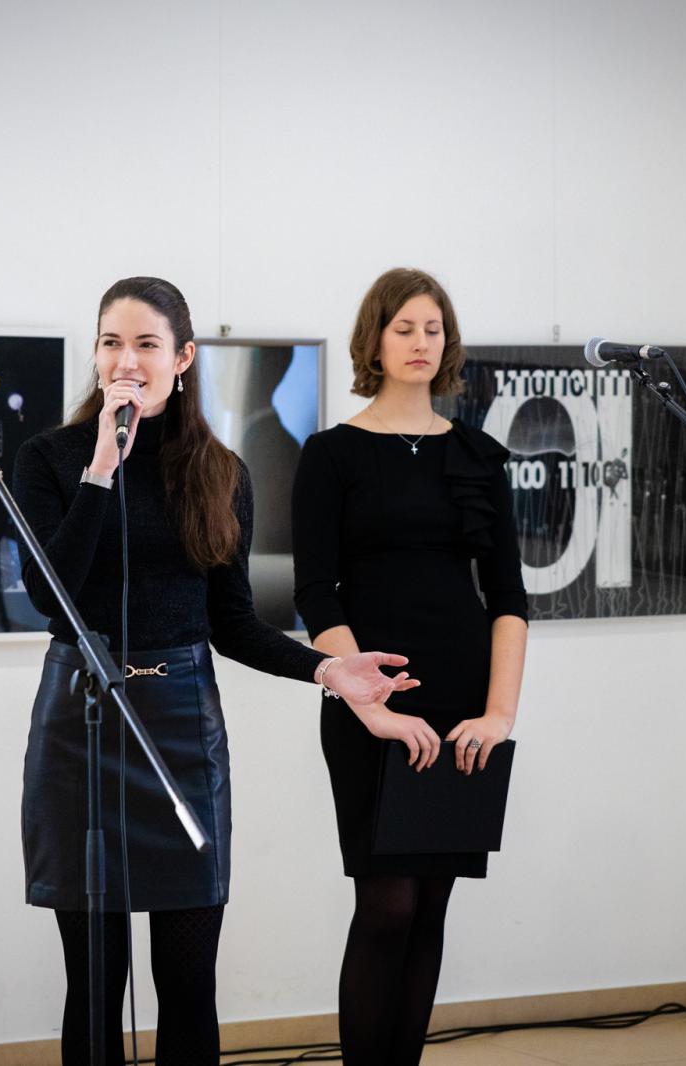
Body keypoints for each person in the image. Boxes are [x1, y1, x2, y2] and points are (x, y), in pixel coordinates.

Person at [12, 276, 419, 1066]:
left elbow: (232, 625)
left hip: (181, 725)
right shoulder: (50, 459)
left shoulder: (221, 473)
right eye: (111, 343)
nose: (127, 361)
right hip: (80, 727)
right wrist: (101, 469)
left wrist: (328, 671)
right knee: (94, 982)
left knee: (189, 979)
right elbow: (47, 594)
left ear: (184, 357)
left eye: (147, 344)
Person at [291, 268, 529, 1065]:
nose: (421, 342)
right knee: (387, 905)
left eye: (433, 328)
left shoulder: (479, 456)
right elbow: (315, 595)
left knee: (430, 907)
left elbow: (508, 598)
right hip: (369, 702)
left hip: (461, 701)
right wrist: (371, 704)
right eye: (404, 328)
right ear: (376, 340)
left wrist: (499, 714)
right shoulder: (331, 454)